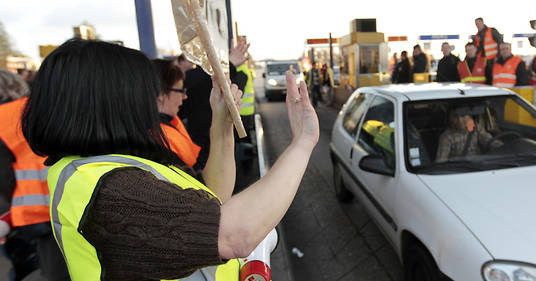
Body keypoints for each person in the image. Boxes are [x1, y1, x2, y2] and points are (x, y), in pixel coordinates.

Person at [21, 39, 319, 280]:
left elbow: (214, 196)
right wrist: (302, 142)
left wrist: (221, 125)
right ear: (113, 102)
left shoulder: (113, 166)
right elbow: (233, 235)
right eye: (143, 93)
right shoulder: (106, 190)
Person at [0, 69, 71, 281]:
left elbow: (4, 178)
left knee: (55, 272)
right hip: (67, 195)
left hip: (34, 209)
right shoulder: (42, 108)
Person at [178, 39, 249, 170]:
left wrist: (229, 67)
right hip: (202, 143)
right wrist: (229, 66)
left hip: (219, 139)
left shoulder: (237, 76)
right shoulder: (195, 78)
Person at [152, 59, 201, 169]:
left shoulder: (169, 123)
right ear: (161, 94)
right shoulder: (157, 141)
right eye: (180, 91)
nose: (184, 97)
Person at [435, 109, 499, 162]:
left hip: (480, 166)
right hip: (460, 170)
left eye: (463, 115)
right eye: (455, 116)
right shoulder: (446, 136)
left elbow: (488, 140)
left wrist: (501, 147)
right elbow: (441, 161)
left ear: (469, 117)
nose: (460, 120)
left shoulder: (474, 127)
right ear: (450, 118)